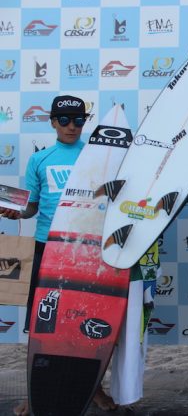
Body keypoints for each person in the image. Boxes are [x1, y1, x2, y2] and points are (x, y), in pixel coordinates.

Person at [0, 95, 118, 415]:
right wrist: (16, 212)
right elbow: (33, 207)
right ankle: (35, 393)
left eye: (78, 120)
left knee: (88, 323)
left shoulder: (98, 157)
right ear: (52, 122)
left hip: (86, 248)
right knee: (43, 326)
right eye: (64, 120)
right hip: (47, 250)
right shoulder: (40, 160)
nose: (71, 127)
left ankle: (94, 390)